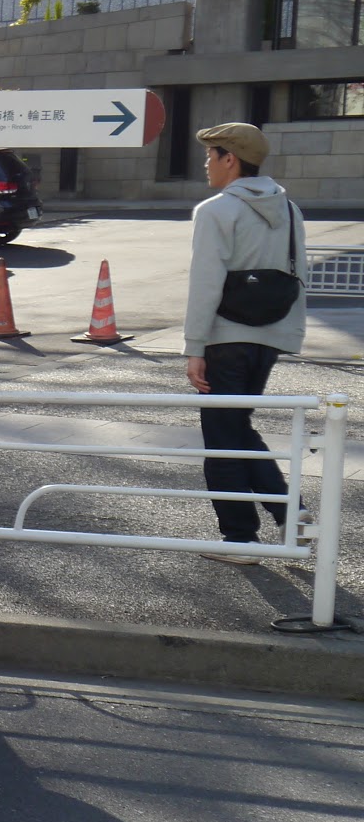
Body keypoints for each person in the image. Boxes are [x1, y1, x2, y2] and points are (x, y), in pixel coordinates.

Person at [183, 122, 306, 564]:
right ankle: (293, 518)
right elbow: (298, 274)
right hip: (269, 335)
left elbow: (205, 284)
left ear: (229, 159)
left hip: (224, 337)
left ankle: (239, 540)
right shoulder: (290, 209)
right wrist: (287, 334)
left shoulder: (216, 210)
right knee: (237, 428)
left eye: (210, 156)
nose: (206, 165)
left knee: (222, 439)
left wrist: (194, 346)